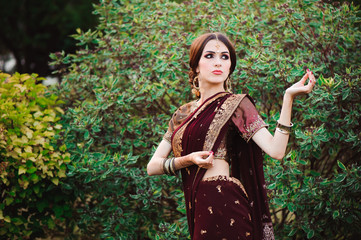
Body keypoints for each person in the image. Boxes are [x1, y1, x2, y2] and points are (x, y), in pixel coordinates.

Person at [147, 32, 316, 240]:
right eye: (209, 56)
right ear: (196, 66)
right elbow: (152, 166)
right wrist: (188, 160)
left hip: (228, 204)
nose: (218, 62)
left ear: (230, 67)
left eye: (225, 57)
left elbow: (276, 150)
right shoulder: (182, 114)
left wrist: (288, 98)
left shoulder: (237, 105)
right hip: (200, 208)